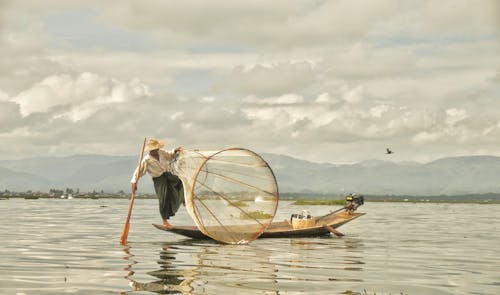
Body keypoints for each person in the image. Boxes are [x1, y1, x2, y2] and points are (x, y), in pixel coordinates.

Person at [131, 138, 184, 228]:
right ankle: (164, 221)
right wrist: (134, 183)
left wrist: (175, 151)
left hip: (168, 174)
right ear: (150, 150)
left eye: (156, 149)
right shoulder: (146, 160)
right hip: (159, 179)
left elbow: (170, 156)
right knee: (163, 198)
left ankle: (183, 199)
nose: (155, 151)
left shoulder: (161, 152)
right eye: (154, 150)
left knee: (180, 182)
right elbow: (137, 174)